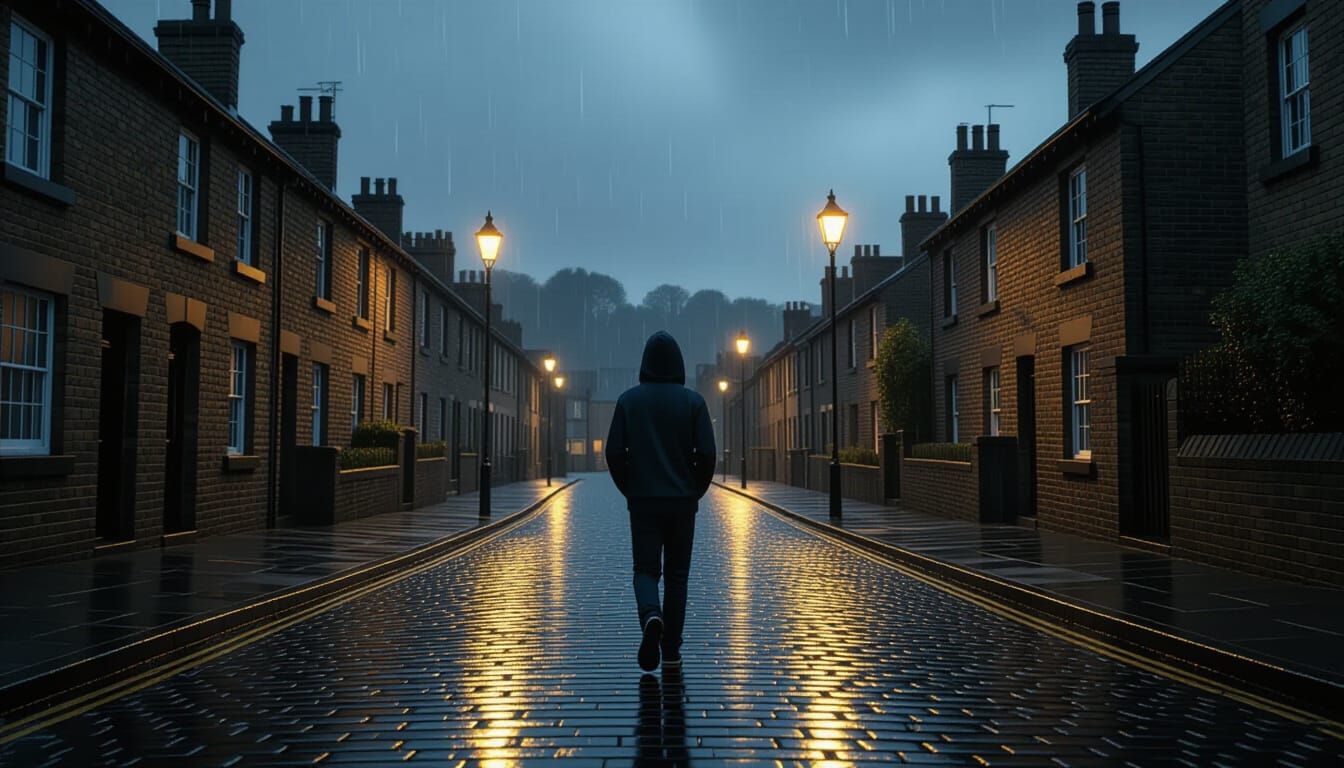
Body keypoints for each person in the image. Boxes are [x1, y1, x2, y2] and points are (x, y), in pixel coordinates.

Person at [606, 331, 716, 672]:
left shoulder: (628, 401)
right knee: (678, 577)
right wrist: (694, 489)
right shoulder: (694, 402)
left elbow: (613, 452)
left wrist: (631, 487)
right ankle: (671, 651)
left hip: (643, 502)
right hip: (683, 502)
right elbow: (708, 454)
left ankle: (651, 615)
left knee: (645, 570)